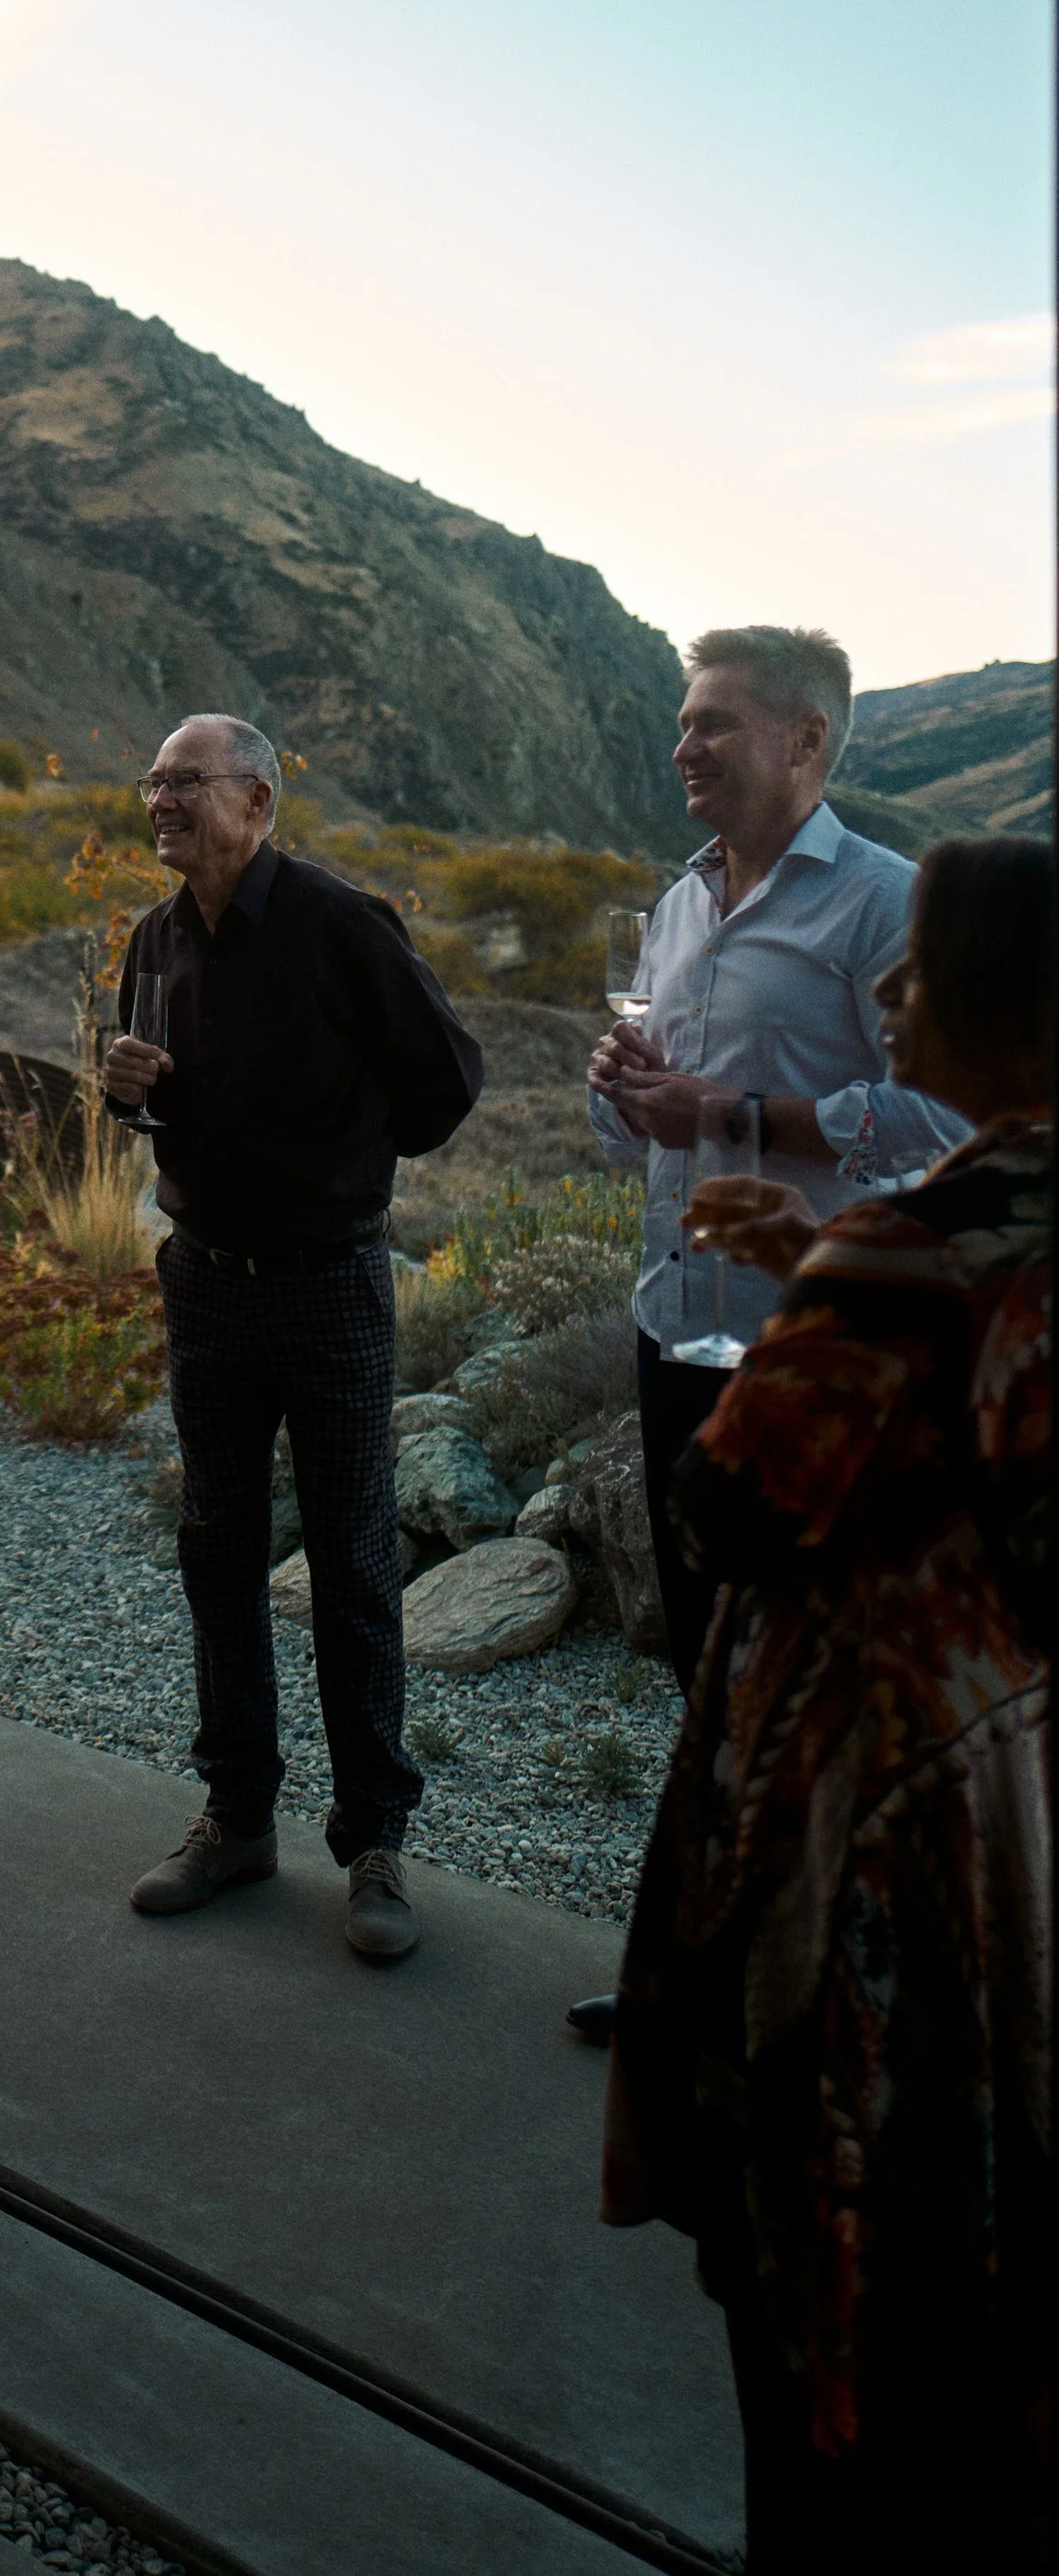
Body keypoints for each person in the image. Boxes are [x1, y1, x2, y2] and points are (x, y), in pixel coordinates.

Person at [601, 835, 1052, 2570]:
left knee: (829, 2182)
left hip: (863, 1778)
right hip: (1013, 1756)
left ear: (998, 999)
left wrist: (822, 1283)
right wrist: (819, 1258)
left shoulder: (908, 1253)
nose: (886, 997)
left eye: (921, 969)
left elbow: (734, 1505)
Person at [571, 627, 965, 2047]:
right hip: (674, 1328)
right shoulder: (677, 905)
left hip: (817, 1348)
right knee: (703, 1668)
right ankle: (705, 1968)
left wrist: (733, 1116)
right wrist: (623, 1088)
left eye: (716, 724)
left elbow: (943, 1123)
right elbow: (634, 1135)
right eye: (683, 722)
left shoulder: (886, 903)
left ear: (805, 740)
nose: (684, 745)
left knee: (814, 1690)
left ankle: (829, 2002)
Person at [105, 716, 483, 1963]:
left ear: (257, 799)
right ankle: (240, 1813)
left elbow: (450, 1078)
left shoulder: (337, 920)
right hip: (205, 1282)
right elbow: (149, 1095)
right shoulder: (157, 936)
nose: (161, 797)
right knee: (216, 1549)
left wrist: (344, 1157)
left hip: (327, 1285)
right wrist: (124, 1085)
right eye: (154, 779)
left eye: (186, 780)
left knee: (353, 1563)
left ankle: (375, 1839)